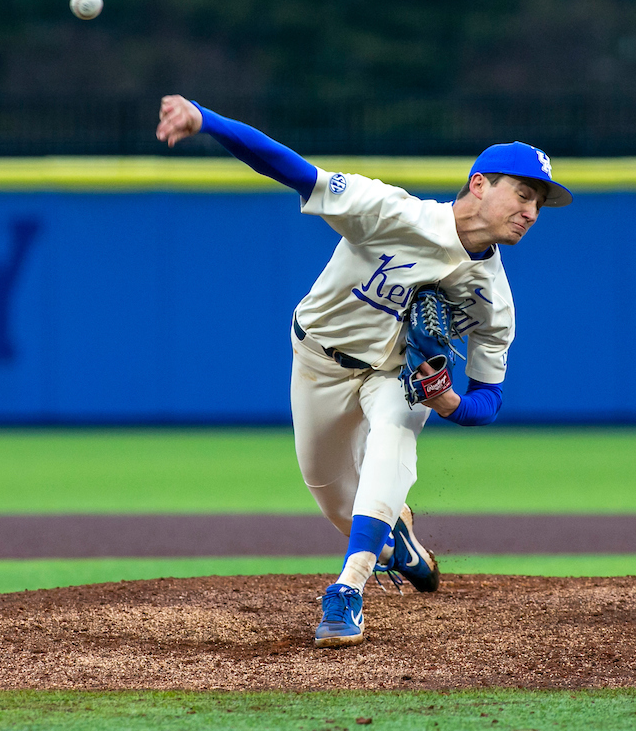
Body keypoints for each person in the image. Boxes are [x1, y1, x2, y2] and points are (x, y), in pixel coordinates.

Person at [155, 95, 572, 648]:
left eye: (538, 203)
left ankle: (347, 590)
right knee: (333, 496)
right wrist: (205, 120)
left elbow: (490, 397)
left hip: (398, 375)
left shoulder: (493, 298)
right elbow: (291, 168)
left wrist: (448, 402)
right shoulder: (390, 211)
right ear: (479, 185)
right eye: (523, 193)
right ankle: (397, 544)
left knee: (394, 435)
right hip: (319, 359)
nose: (530, 211)